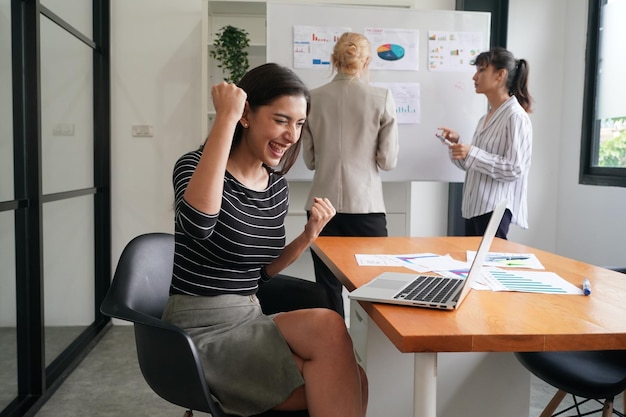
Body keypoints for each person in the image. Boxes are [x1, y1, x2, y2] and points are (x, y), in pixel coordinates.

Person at [162, 63, 368, 417]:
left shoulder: (275, 187)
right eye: (281, 120)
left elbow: (260, 274)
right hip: (200, 328)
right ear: (246, 116)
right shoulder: (193, 167)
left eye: (299, 124)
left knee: (348, 366)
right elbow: (197, 224)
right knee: (338, 371)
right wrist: (224, 117)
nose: (292, 135)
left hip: (248, 315)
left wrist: (308, 236)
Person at [300, 32, 399, 317]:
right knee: (374, 290)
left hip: (321, 207)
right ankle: (370, 356)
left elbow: (309, 160)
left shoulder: (312, 99)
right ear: (367, 61)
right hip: (366, 207)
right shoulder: (382, 97)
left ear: (334, 60)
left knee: (327, 290)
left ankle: (335, 355)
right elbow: (388, 160)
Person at [438, 46, 533, 239]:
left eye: (482, 70)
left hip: (494, 209)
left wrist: (471, 152)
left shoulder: (515, 117)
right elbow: (473, 165)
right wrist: (457, 146)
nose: (475, 77)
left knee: (488, 267)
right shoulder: (486, 117)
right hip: (474, 208)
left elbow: (514, 169)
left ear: (500, 75)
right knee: (472, 266)